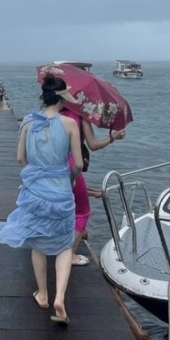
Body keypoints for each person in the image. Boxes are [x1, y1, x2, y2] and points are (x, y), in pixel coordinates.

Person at [0, 75, 84, 325]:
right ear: (64, 98)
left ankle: (43, 294)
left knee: (37, 242)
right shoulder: (69, 124)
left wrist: (38, 169)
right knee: (65, 244)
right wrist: (70, 177)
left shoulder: (28, 123)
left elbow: (20, 157)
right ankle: (60, 299)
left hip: (35, 191)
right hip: (61, 190)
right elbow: (78, 164)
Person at [61, 105, 127, 266]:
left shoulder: (54, 114)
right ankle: (70, 255)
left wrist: (91, 192)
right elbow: (93, 145)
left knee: (63, 204)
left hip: (51, 166)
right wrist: (114, 138)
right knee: (83, 212)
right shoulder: (80, 116)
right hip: (71, 165)